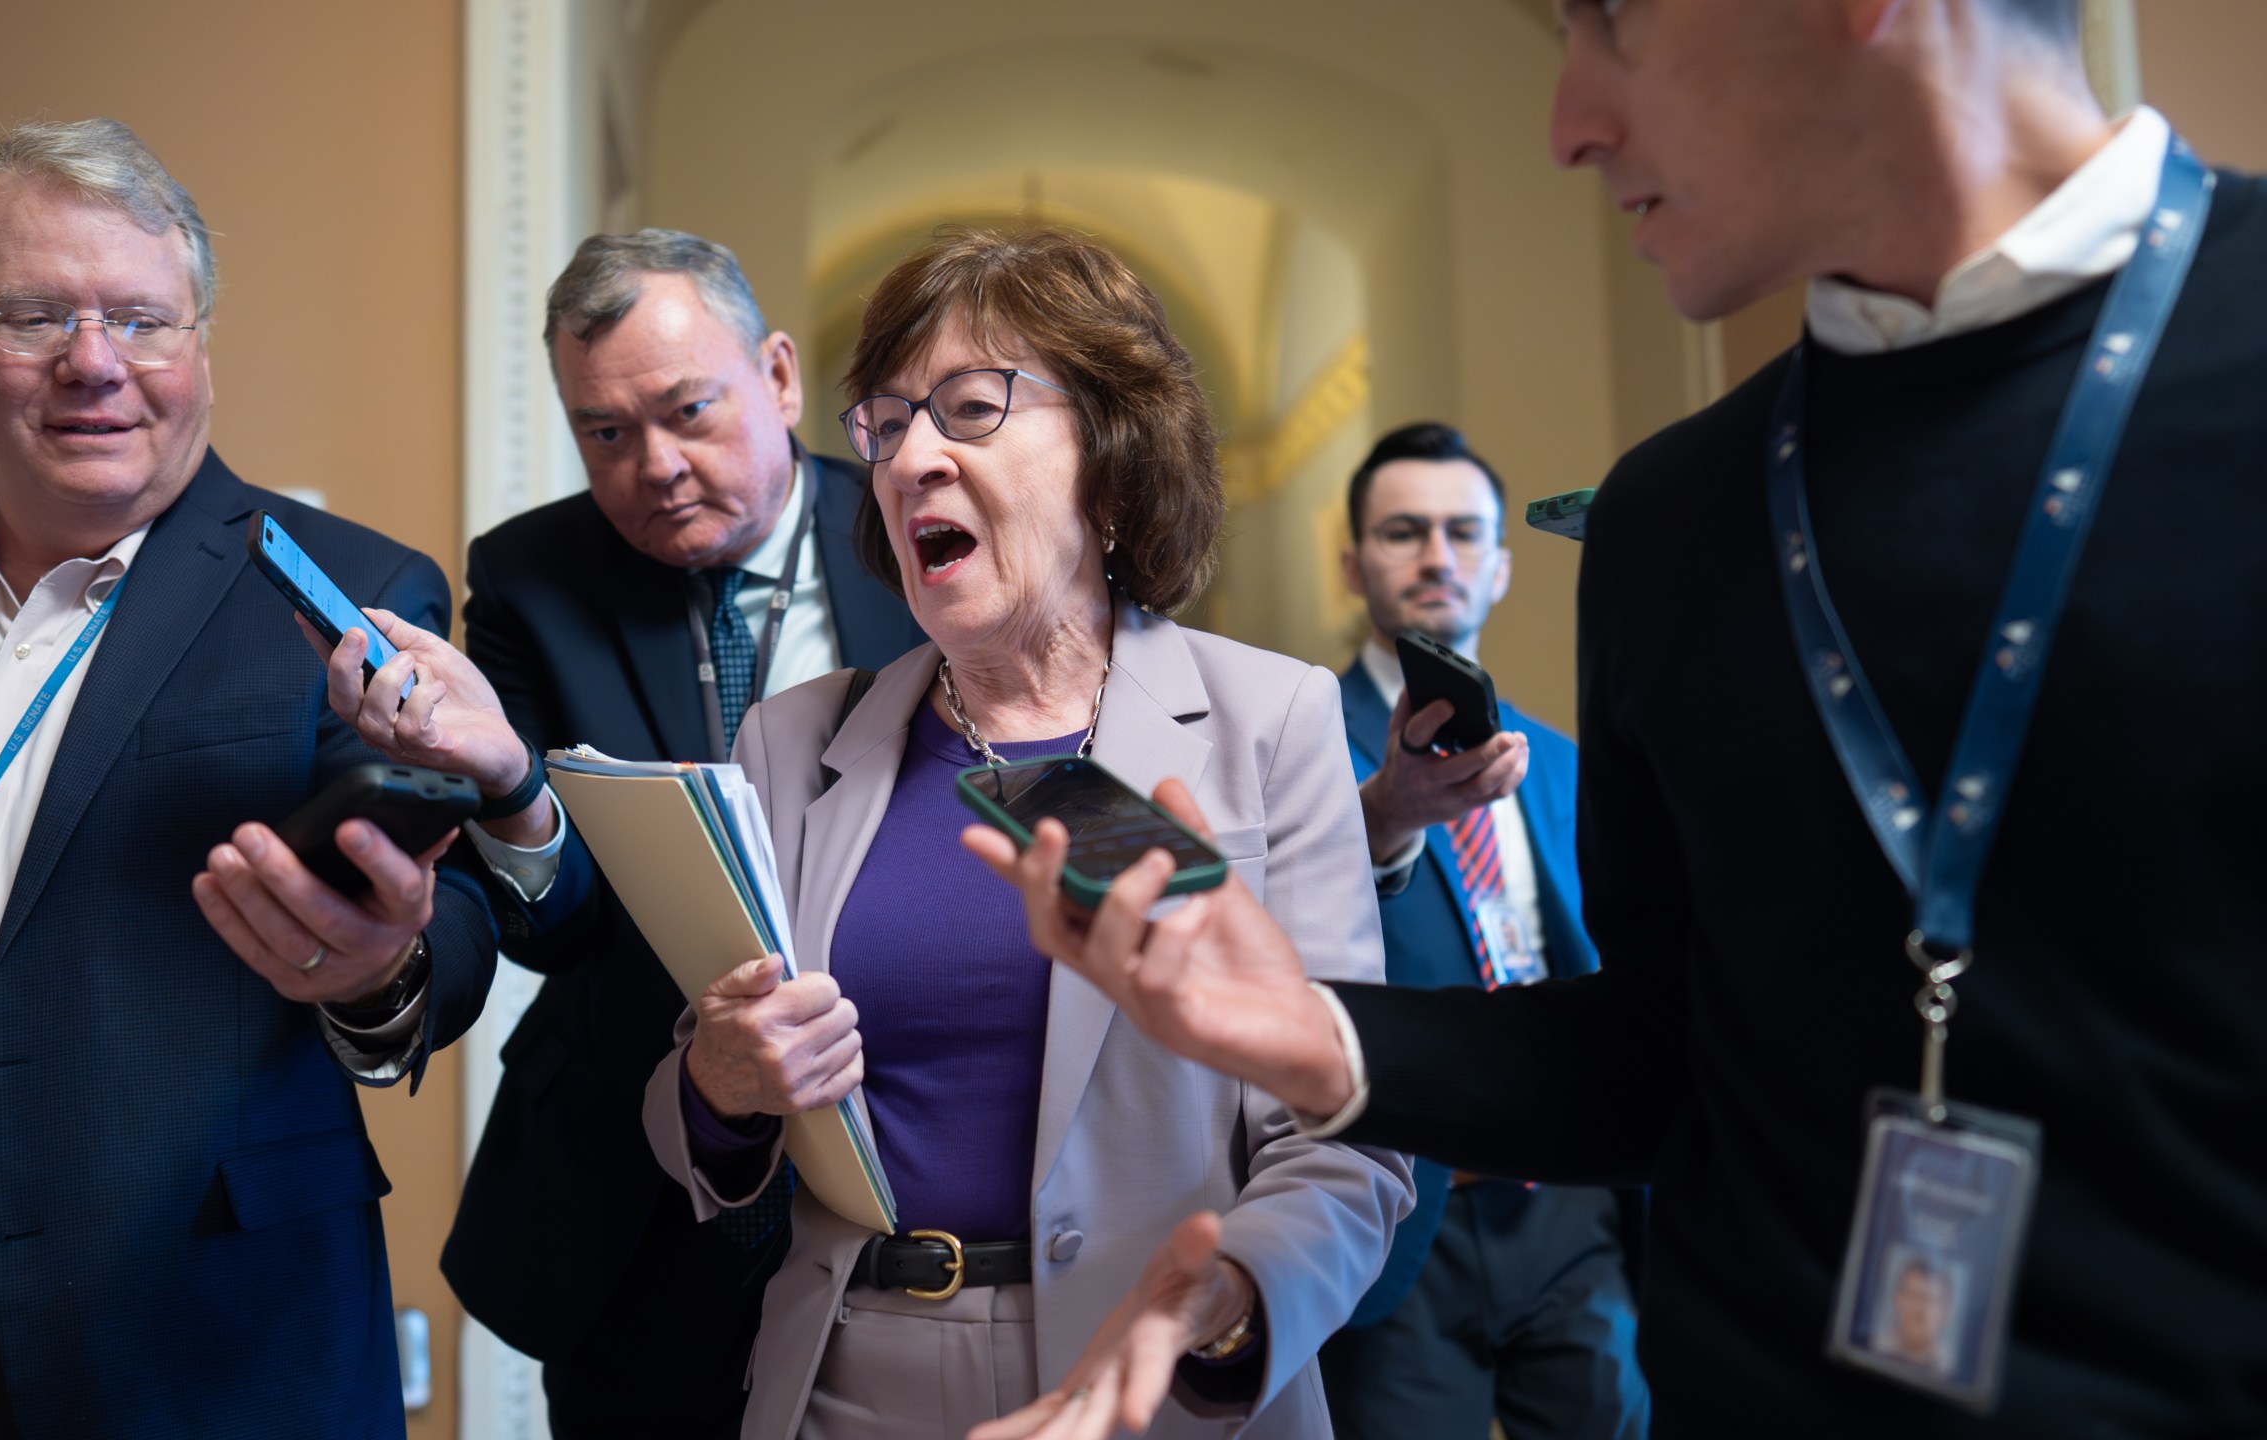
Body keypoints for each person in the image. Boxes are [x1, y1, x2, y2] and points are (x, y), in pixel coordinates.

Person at [969, 1, 2267, 1434]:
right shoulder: (1674, 516)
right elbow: (1666, 1057)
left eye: (1609, 24)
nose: (1566, 120)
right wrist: (1325, 1038)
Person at [0, 118, 501, 1438]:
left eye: (141, 320)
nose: (94, 364)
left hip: (170, 1333)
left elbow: (457, 927)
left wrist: (377, 971)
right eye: (33, 315)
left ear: (200, 348)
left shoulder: (343, 591)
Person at [635, 227, 1411, 1440]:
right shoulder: (790, 744)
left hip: (1157, 1393)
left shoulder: (1270, 723)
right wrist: (719, 1087)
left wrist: (1221, 1303)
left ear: (1110, 455)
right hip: (844, 1387)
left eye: (969, 408)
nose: (908, 463)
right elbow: (699, 1106)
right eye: (885, 426)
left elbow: (1348, 1140)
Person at [321, 229, 924, 1438]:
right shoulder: (534, 580)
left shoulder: (916, 537)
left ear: (782, 378)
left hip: (899, 1152)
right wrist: (505, 781)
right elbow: (556, 924)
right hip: (633, 1200)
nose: (653, 465)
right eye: (604, 433)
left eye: (688, 411)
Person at [1317, 423, 1647, 1440]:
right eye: (1403, 532)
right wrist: (1384, 818)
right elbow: (1287, 947)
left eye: (1463, 533)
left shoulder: (1559, 762)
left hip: (1569, 1203)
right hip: (1408, 1202)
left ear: (1501, 565)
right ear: (1351, 563)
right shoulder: (1296, 741)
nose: (1435, 556)